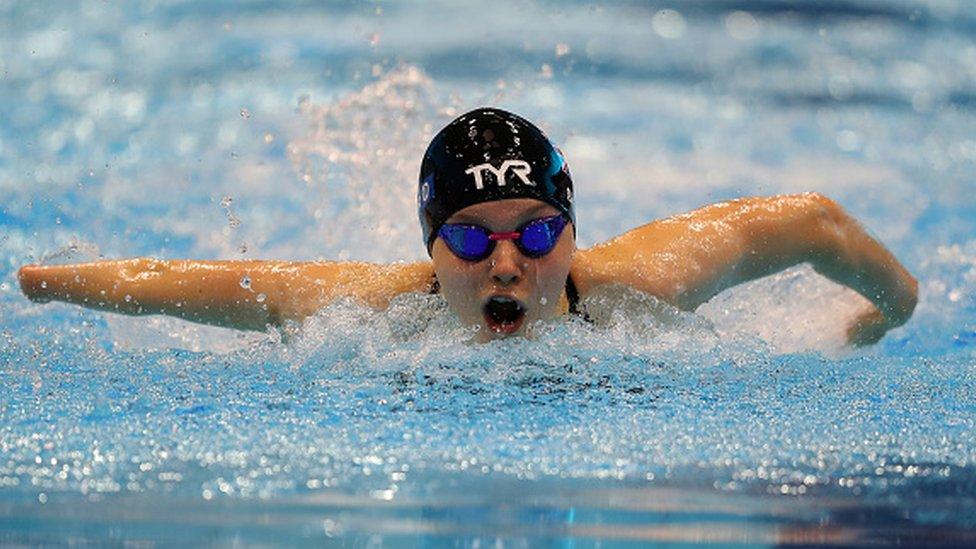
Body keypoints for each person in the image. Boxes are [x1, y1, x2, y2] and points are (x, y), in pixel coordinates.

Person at [17, 108, 917, 345]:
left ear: (568, 232)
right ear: (428, 246)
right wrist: (41, 281)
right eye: (472, 237)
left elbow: (813, 222)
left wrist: (893, 311)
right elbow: (185, 285)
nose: (507, 265)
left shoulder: (639, 287)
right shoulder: (367, 312)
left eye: (534, 235)